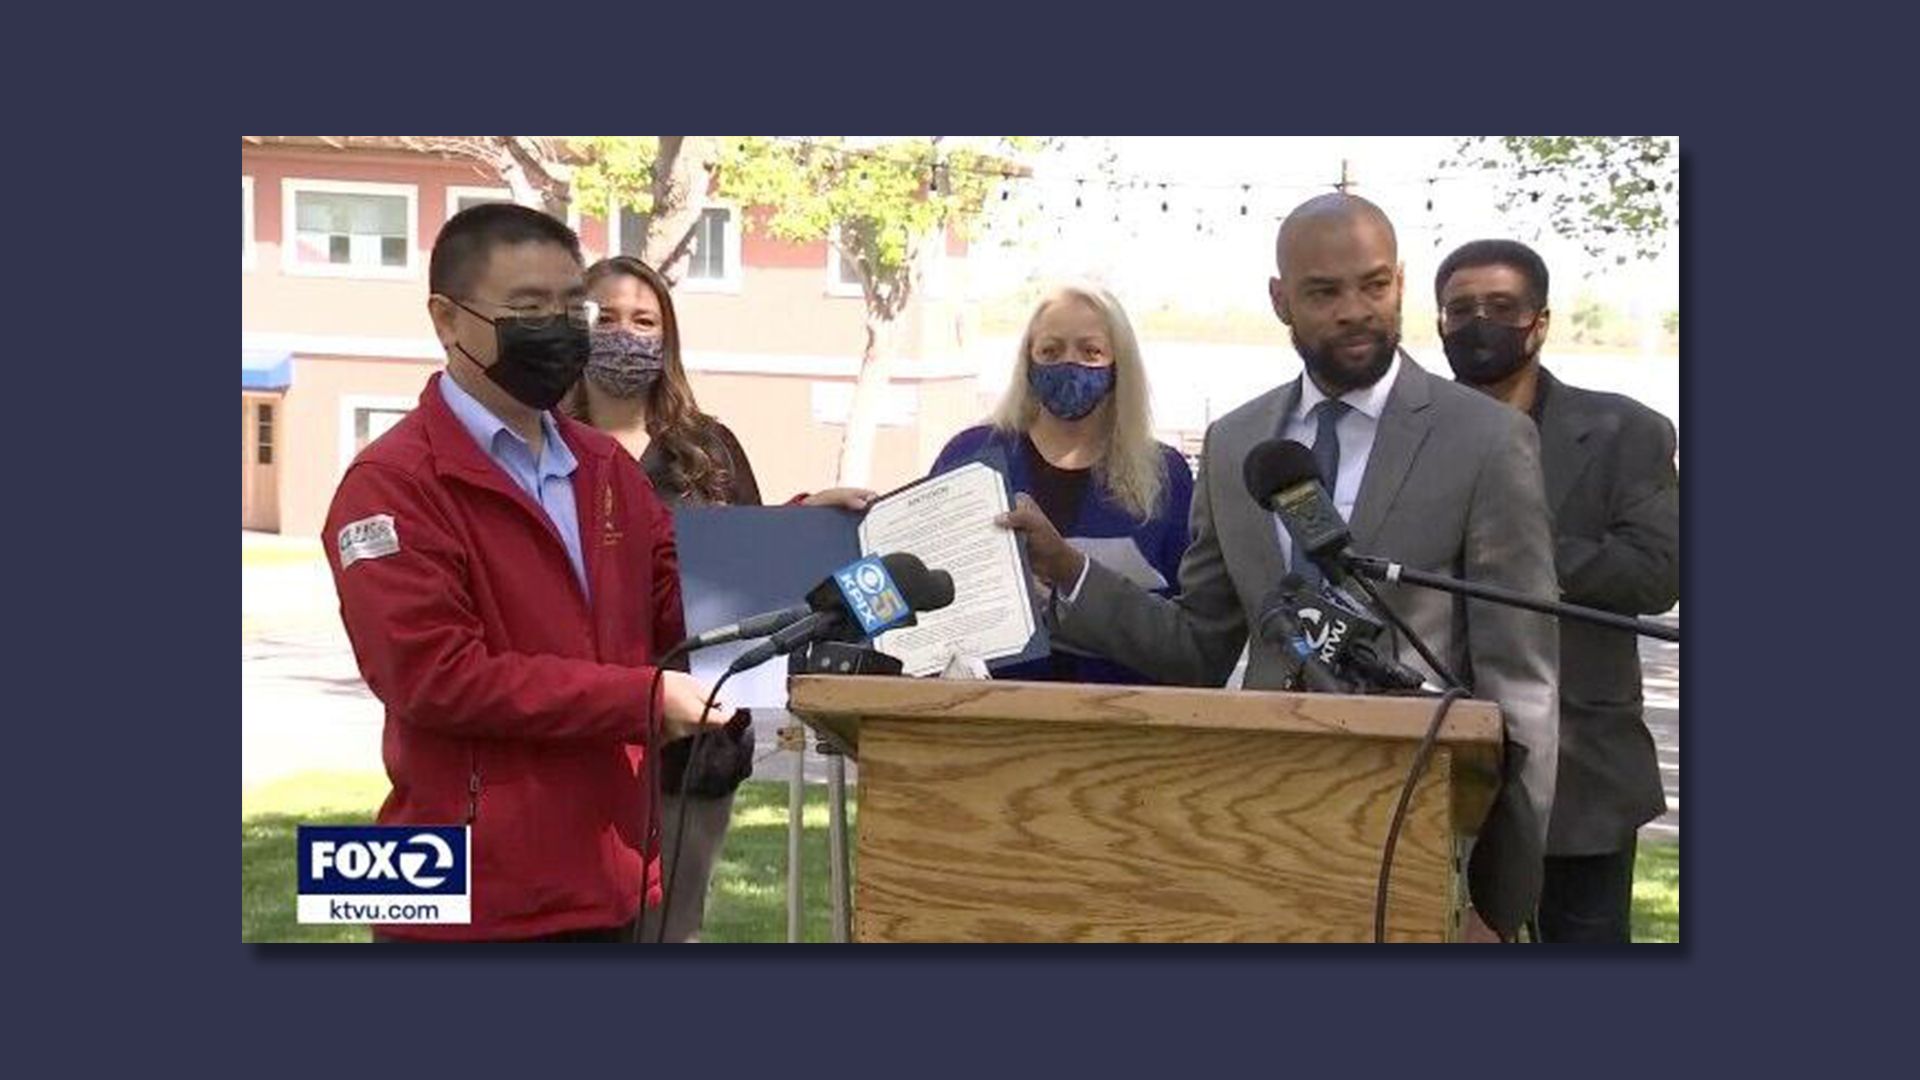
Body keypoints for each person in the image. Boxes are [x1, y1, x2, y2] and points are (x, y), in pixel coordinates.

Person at [998, 194, 1561, 940]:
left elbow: (1523, 692)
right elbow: (1198, 648)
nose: (1355, 310)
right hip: (1263, 840)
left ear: (1399, 282)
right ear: (1280, 300)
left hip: (1421, 833)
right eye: (1324, 292)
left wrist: (1498, 903)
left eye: (1375, 285)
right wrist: (1069, 570)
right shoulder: (1236, 445)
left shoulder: (1487, 441)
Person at [322, 204, 733, 942]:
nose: (557, 329)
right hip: (468, 896)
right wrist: (642, 697)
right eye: (526, 308)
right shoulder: (390, 483)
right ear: (447, 321)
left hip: (611, 875)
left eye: (568, 306)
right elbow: (435, 675)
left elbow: (685, 604)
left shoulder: (604, 467)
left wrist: (812, 538)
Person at [566, 254, 872, 942]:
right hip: (580, 732)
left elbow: (747, 564)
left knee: (670, 929)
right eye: (605, 318)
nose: (624, 334)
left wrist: (807, 512)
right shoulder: (543, 442)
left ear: (667, 338)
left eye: (643, 321)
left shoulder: (706, 448)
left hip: (692, 747)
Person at [1436, 239, 1679, 943]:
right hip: (1437, 763)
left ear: (1539, 322)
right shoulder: (1411, 436)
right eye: (1461, 310)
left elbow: (1654, 571)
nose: (1480, 322)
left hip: (1585, 776)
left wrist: (1510, 550)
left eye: (1501, 308)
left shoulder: (1622, 431)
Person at [929, 283, 1193, 683]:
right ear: (1028, 361)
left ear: (1119, 364)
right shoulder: (971, 454)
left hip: (1122, 715)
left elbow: (1188, 634)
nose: (1069, 364)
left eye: (1091, 351)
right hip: (988, 708)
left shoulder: (1165, 473)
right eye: (1051, 351)